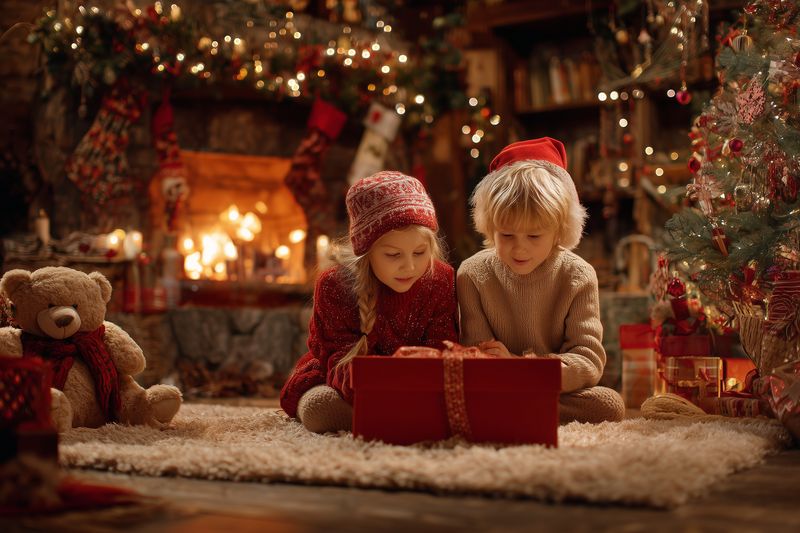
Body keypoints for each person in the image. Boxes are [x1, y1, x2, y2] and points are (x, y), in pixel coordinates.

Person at [457, 137, 625, 424]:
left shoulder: (578, 275)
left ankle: (510, 412)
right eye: (507, 235)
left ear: (560, 230)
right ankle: (520, 410)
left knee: (608, 404)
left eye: (534, 236)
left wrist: (522, 370)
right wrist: (501, 370)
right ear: (489, 225)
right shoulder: (472, 274)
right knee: (468, 395)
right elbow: (477, 358)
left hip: (548, 388)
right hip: (497, 388)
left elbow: (588, 361)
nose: (520, 249)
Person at [280, 171, 458, 433]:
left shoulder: (440, 278)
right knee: (318, 407)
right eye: (393, 254)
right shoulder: (335, 284)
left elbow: (443, 345)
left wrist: (415, 380)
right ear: (366, 251)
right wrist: (378, 385)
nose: (409, 266)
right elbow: (336, 355)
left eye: (420, 253)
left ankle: (387, 418)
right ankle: (391, 418)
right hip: (345, 381)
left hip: (417, 382)